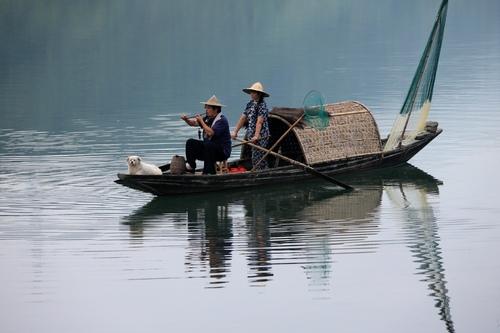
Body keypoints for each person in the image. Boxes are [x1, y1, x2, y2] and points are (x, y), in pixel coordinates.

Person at [181, 95, 231, 175]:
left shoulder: (222, 120)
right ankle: (191, 166)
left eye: (208, 108)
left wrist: (201, 121)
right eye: (206, 107)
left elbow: (211, 133)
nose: (206, 110)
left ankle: (208, 172)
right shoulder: (207, 118)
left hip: (221, 152)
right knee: (190, 142)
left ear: (216, 109)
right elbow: (193, 123)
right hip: (208, 150)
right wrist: (186, 120)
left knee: (209, 145)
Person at [231, 82, 270, 170]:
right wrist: (235, 131)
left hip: (261, 135)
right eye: (251, 92)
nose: (251, 94)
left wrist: (256, 135)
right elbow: (243, 118)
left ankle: (262, 173)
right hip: (252, 135)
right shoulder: (250, 104)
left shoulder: (262, 105)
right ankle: (262, 171)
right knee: (255, 157)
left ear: (259, 94)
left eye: (253, 92)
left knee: (258, 157)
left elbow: (259, 122)